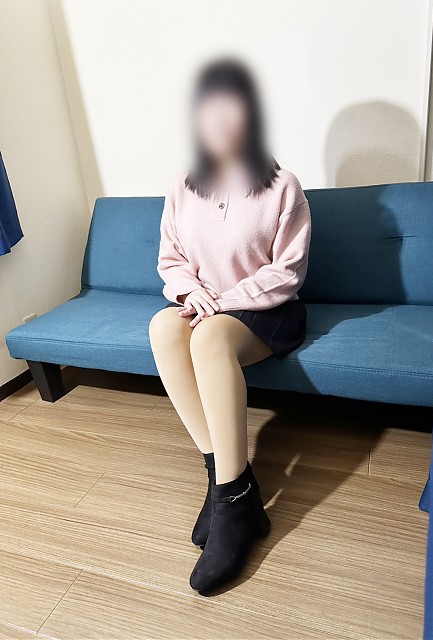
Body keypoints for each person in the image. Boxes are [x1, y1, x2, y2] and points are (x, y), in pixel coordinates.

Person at [149, 59, 311, 594]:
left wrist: (221, 302)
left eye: (230, 106)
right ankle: (230, 488)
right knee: (162, 328)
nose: (218, 119)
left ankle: (232, 500)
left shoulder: (283, 186)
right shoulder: (183, 186)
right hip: (207, 308)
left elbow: (287, 272)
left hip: (267, 309)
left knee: (209, 336)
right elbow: (171, 259)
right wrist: (188, 291)